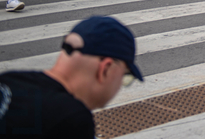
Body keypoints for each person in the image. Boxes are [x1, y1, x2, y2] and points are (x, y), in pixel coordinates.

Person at [0, 16, 143, 138]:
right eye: (125, 77)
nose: (120, 86)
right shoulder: (71, 119)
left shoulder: (9, 80)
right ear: (105, 68)